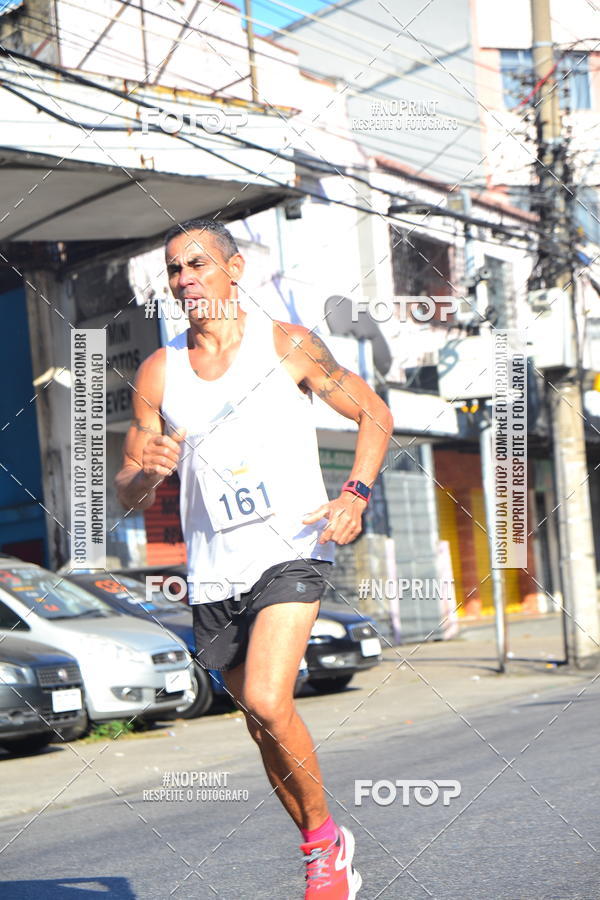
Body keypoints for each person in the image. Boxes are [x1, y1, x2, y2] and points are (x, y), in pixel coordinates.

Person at [116, 218, 393, 899]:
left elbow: (375, 414)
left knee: (270, 699)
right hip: (214, 568)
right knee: (259, 723)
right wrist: (143, 472)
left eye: (198, 264)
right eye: (175, 270)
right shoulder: (159, 372)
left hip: (290, 549)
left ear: (234, 270)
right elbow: (125, 491)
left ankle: (324, 847)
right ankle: (320, 842)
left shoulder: (287, 346)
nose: (185, 279)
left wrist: (353, 494)